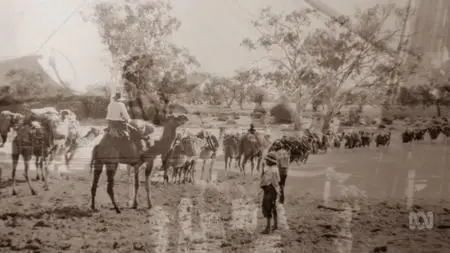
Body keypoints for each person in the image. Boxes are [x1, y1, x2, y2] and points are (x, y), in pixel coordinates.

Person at [260, 152, 280, 234]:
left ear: (271, 162)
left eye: (268, 160)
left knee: (267, 207)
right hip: (271, 189)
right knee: (273, 207)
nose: (266, 161)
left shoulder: (272, 170)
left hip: (271, 190)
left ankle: (268, 228)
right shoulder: (273, 168)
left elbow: (274, 181)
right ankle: (275, 225)